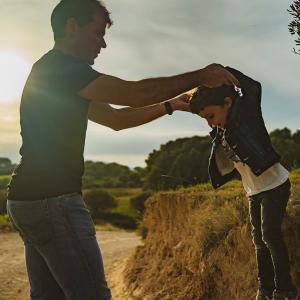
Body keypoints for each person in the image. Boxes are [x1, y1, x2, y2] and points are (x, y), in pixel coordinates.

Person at [6, 1, 239, 299]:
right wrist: (200, 76)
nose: (103, 44)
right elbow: (134, 93)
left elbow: (116, 119)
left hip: (26, 200)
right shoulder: (63, 69)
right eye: (97, 33)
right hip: (53, 202)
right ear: (71, 26)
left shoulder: (53, 73)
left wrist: (171, 105)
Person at [189, 67, 297, 300]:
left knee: (270, 236)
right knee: (258, 240)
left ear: (228, 103)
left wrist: (224, 71)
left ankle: (284, 289)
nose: (210, 123)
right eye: (205, 118)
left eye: (210, 116)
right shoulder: (222, 130)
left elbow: (254, 88)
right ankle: (265, 289)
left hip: (275, 184)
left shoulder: (247, 115)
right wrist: (183, 101)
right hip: (254, 191)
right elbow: (197, 106)